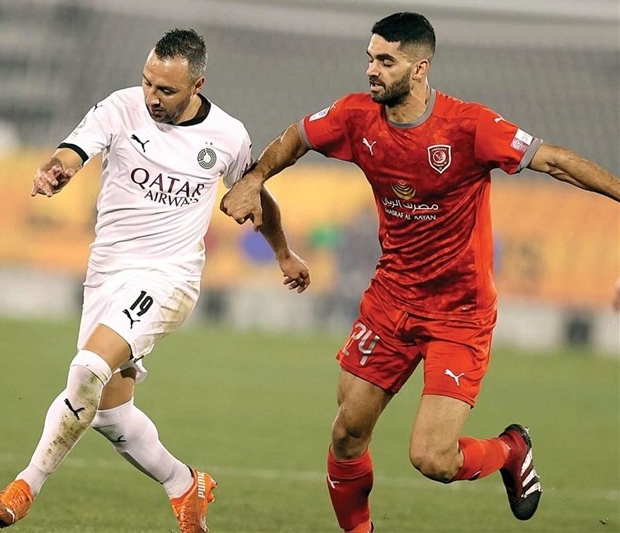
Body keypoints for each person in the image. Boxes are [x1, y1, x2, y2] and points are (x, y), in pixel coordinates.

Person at [220, 12, 620, 533]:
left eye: (386, 61)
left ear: (420, 68)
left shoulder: (470, 126)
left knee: (433, 459)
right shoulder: (355, 116)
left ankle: (510, 449)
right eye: (370, 59)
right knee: (346, 435)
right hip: (391, 300)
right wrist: (255, 178)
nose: (372, 70)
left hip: (460, 313)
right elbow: (298, 136)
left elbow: (555, 161)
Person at [0, 28, 310, 533]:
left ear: (197, 84)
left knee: (87, 369)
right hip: (107, 273)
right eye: (147, 83)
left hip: (169, 278)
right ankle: (185, 484)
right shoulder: (120, 108)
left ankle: (25, 486)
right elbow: (73, 151)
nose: (152, 97)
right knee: (109, 413)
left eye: (166, 90)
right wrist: (56, 170)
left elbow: (255, 195)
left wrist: (283, 254)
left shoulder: (227, 135)